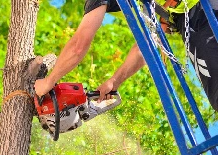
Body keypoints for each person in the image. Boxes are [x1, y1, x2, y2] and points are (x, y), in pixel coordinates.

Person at [34, 0, 218, 112]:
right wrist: (114, 81)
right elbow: (146, 44)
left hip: (204, 13)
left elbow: (78, 46)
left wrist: (47, 83)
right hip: (194, 18)